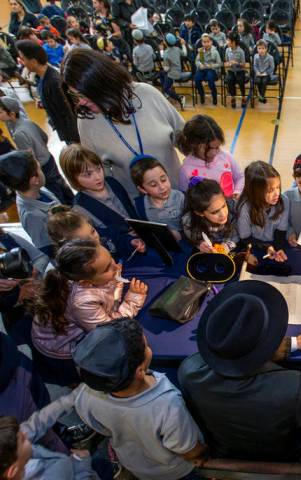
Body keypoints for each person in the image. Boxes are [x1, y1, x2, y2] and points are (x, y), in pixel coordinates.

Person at [178, 280, 301, 461]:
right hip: (283, 453)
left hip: (225, 447)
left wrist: (296, 343)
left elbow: (242, 352)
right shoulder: (293, 385)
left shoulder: (188, 371)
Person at [73, 317, 206, 479]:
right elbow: (189, 451)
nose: (148, 347)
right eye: (146, 345)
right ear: (139, 371)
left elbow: (101, 427)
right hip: (173, 471)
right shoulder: (167, 406)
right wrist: (202, 453)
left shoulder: (86, 394)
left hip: (135, 464)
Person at [61, 48, 185, 195]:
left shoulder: (147, 94)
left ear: (102, 84)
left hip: (176, 192)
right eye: (75, 96)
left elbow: (185, 140)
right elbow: (97, 173)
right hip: (137, 205)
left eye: (85, 95)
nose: (81, 102)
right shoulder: (87, 121)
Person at [31, 239, 147, 385]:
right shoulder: (81, 302)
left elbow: (106, 291)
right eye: (107, 269)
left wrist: (114, 279)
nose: (116, 266)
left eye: (111, 259)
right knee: (78, 380)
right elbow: (110, 330)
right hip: (61, 349)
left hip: (71, 327)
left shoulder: (85, 276)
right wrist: (132, 300)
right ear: (85, 282)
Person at [59, 144, 146, 259]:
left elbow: (130, 207)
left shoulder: (112, 182)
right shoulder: (80, 209)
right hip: (125, 254)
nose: (97, 177)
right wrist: (129, 241)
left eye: (98, 169)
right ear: (73, 179)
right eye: (88, 174)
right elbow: (100, 240)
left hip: (144, 237)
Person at [0, 97, 73, 204]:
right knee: (60, 183)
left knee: (54, 191)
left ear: (11, 114)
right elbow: (44, 137)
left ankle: (65, 209)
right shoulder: (27, 121)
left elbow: (29, 158)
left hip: (42, 166)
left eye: (1, 112)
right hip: (48, 158)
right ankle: (72, 201)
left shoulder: (18, 134)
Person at [0, 399, 99, 479]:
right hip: (78, 471)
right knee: (102, 467)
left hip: (69, 464)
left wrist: (69, 400)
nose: (26, 435)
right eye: (22, 439)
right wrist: (82, 464)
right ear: (13, 470)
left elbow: (36, 423)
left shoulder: (12, 453)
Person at [0, 151, 59, 256]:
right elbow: (47, 249)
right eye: (39, 169)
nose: (42, 171)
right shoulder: (31, 216)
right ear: (35, 180)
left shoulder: (40, 189)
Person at [177, 115, 244, 198]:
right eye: (208, 148)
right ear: (194, 144)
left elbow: (240, 177)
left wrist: (237, 191)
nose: (214, 152)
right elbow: (185, 198)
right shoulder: (185, 171)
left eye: (217, 147)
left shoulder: (225, 156)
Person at [237, 161, 289, 262]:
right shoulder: (245, 208)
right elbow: (245, 238)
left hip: (274, 244)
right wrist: (266, 248)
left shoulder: (284, 201)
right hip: (253, 245)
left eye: (278, 187)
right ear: (255, 192)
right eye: (270, 191)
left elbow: (281, 232)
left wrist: (278, 249)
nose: (277, 193)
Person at [130, 156, 185, 240]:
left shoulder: (182, 198)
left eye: (163, 180)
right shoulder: (139, 205)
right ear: (142, 189)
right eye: (153, 185)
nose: (162, 187)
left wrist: (178, 235)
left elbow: (194, 230)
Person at [182, 178, 239, 253]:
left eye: (224, 206)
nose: (223, 214)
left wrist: (228, 245)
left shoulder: (233, 209)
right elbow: (193, 239)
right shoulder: (189, 222)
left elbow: (237, 234)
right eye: (215, 212)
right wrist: (200, 245)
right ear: (200, 213)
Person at [160, 33, 190, 109]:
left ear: (165, 42)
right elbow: (185, 54)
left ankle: (180, 98)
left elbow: (167, 69)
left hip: (172, 75)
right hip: (178, 71)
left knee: (166, 89)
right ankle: (166, 93)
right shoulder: (177, 49)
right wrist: (183, 44)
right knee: (161, 74)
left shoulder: (166, 53)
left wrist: (161, 51)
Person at [194, 34, 221, 106]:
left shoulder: (215, 52)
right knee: (196, 78)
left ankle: (214, 95)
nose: (206, 44)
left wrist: (211, 66)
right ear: (202, 43)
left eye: (208, 42)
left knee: (210, 79)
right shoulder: (201, 51)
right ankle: (202, 94)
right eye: (204, 42)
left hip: (212, 69)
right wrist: (200, 65)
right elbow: (197, 61)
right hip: (203, 69)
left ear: (211, 42)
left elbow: (219, 64)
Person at [224, 33, 248, 108]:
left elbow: (244, 65)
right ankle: (233, 97)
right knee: (230, 80)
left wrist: (237, 63)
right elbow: (226, 62)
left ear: (233, 42)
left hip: (240, 70)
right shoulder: (227, 50)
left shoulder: (241, 51)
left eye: (228, 40)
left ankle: (243, 97)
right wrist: (229, 63)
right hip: (231, 70)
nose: (227, 42)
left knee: (240, 80)